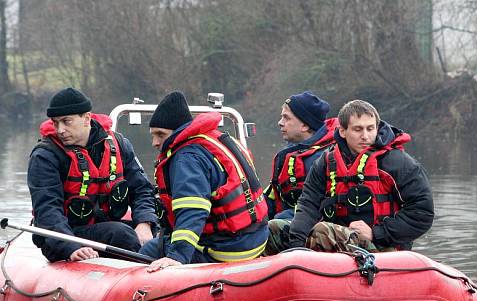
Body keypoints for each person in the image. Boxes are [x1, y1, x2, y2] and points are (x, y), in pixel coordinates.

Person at [139, 91, 269, 271]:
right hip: (256, 240)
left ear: (178, 130)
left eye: (160, 134)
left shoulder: (187, 158)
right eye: (152, 135)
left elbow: (193, 210)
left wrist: (177, 256)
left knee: (147, 251)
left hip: (225, 250)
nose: (154, 142)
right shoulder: (219, 140)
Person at [28, 87, 158, 262]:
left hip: (104, 229)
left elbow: (142, 190)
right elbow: (47, 210)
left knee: (159, 234)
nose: (60, 130)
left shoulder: (119, 144)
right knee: (121, 234)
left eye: (66, 121)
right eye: (55, 122)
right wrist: (70, 247)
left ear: (87, 118)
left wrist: (145, 223)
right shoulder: (45, 156)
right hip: (63, 237)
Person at [287, 99, 434, 251]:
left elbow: (422, 214)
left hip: (383, 246)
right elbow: (308, 205)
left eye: (370, 129)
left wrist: (376, 233)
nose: (365, 136)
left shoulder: (399, 163)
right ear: (342, 131)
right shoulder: (325, 163)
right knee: (275, 228)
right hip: (337, 240)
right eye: (358, 129)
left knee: (322, 231)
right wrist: (296, 246)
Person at [263, 91, 339, 255]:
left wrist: (277, 219)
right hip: (286, 220)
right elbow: (271, 195)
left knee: (266, 231)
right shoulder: (291, 153)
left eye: (286, 118)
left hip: (311, 229)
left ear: (305, 125)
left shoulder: (325, 159)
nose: (280, 123)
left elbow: (315, 206)